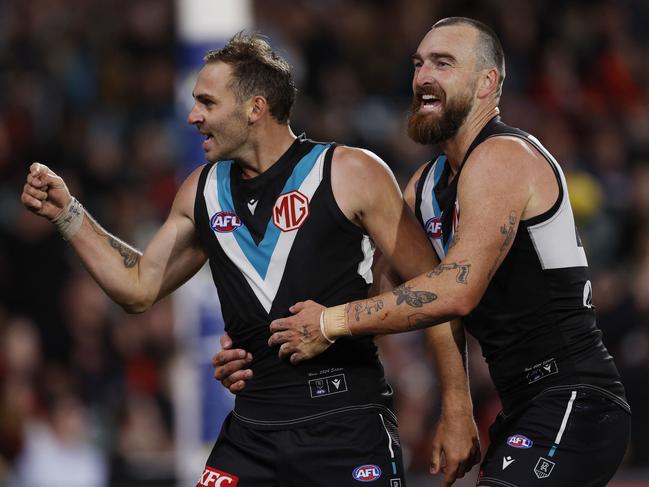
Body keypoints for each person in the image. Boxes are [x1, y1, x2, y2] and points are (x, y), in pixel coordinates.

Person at [20, 33, 479, 487]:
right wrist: (68, 213)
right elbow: (138, 287)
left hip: (345, 422)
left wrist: (457, 411)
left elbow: (435, 290)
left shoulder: (350, 172)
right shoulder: (201, 190)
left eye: (206, 102)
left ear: (255, 108)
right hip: (252, 431)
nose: (192, 116)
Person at [264, 17, 631, 487]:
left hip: (576, 398)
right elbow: (379, 291)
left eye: (443, 63)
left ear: (487, 82)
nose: (422, 77)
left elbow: (455, 291)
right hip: (520, 404)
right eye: (418, 64)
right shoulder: (425, 188)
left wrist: (330, 321)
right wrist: (264, 341)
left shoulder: (505, 157)